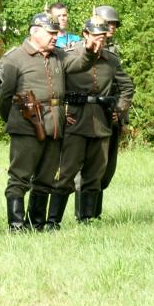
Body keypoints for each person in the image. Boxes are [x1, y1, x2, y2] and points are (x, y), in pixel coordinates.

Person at [0, 13, 71, 231]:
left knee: (46, 178)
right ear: (34, 32)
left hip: (55, 124)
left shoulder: (60, 57)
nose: (55, 37)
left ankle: (36, 223)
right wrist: (15, 122)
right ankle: (17, 225)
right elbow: (4, 96)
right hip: (25, 125)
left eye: (56, 33)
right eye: (50, 33)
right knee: (20, 176)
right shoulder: (14, 58)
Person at [58, 17, 134, 226]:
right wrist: (61, 112)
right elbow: (57, 86)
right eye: (95, 37)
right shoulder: (69, 55)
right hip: (75, 119)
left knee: (95, 174)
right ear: (85, 35)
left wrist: (119, 109)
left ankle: (88, 219)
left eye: (102, 37)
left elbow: (127, 87)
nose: (99, 41)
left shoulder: (111, 59)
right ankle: (53, 220)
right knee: (67, 173)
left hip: (101, 121)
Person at [91, 4, 126, 217]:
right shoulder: (87, 49)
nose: (112, 27)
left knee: (107, 168)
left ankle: (95, 213)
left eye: (114, 24)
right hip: (93, 113)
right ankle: (86, 214)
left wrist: (121, 113)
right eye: (108, 24)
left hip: (112, 112)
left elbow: (124, 86)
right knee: (91, 167)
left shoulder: (115, 52)